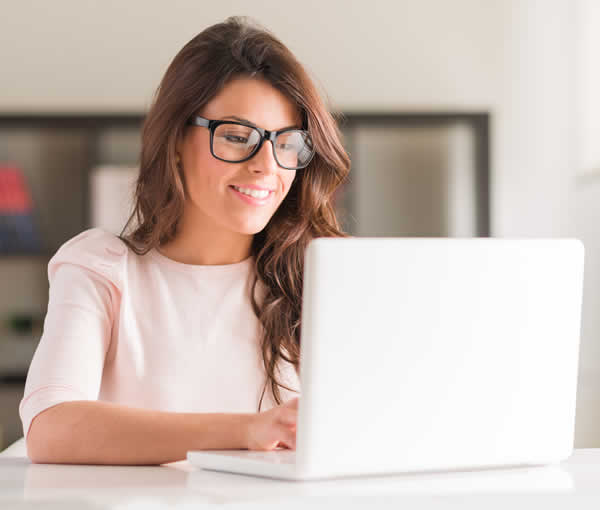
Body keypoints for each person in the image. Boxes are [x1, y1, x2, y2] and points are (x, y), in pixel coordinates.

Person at [19, 16, 350, 465]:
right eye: (237, 137)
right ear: (175, 139)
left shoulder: (323, 279)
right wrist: (247, 430)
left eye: (288, 143)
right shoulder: (101, 266)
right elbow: (51, 427)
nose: (267, 165)